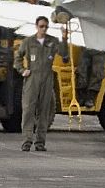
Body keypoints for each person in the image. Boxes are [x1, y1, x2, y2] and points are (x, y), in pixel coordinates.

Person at [14, 15, 67, 152]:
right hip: (32, 78)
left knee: (44, 110)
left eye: (46, 27)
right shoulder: (28, 42)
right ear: (36, 26)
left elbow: (64, 55)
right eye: (41, 26)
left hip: (47, 78)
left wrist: (64, 38)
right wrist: (22, 70)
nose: (43, 29)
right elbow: (18, 57)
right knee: (28, 110)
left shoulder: (52, 41)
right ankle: (26, 141)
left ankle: (40, 142)